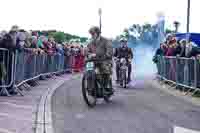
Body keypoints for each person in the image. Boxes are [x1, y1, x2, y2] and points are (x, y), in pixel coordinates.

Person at [86, 26, 113, 94]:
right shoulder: (90, 43)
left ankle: (105, 86)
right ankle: (90, 88)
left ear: (98, 33)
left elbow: (109, 52)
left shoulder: (106, 41)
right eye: (91, 34)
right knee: (89, 72)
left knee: (105, 70)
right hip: (94, 61)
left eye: (93, 33)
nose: (92, 35)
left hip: (104, 60)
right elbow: (87, 51)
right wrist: (88, 55)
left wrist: (101, 55)